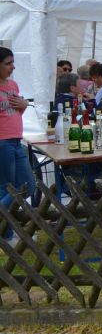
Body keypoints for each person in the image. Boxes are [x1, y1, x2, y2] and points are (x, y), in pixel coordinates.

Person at [0, 47, 39, 230]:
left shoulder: (12, 85)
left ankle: (5, 233)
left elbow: (16, 112)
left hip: (16, 140)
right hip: (2, 142)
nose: (13, 67)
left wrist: (24, 104)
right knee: (6, 188)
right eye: (8, 63)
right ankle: (6, 236)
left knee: (27, 186)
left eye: (12, 62)